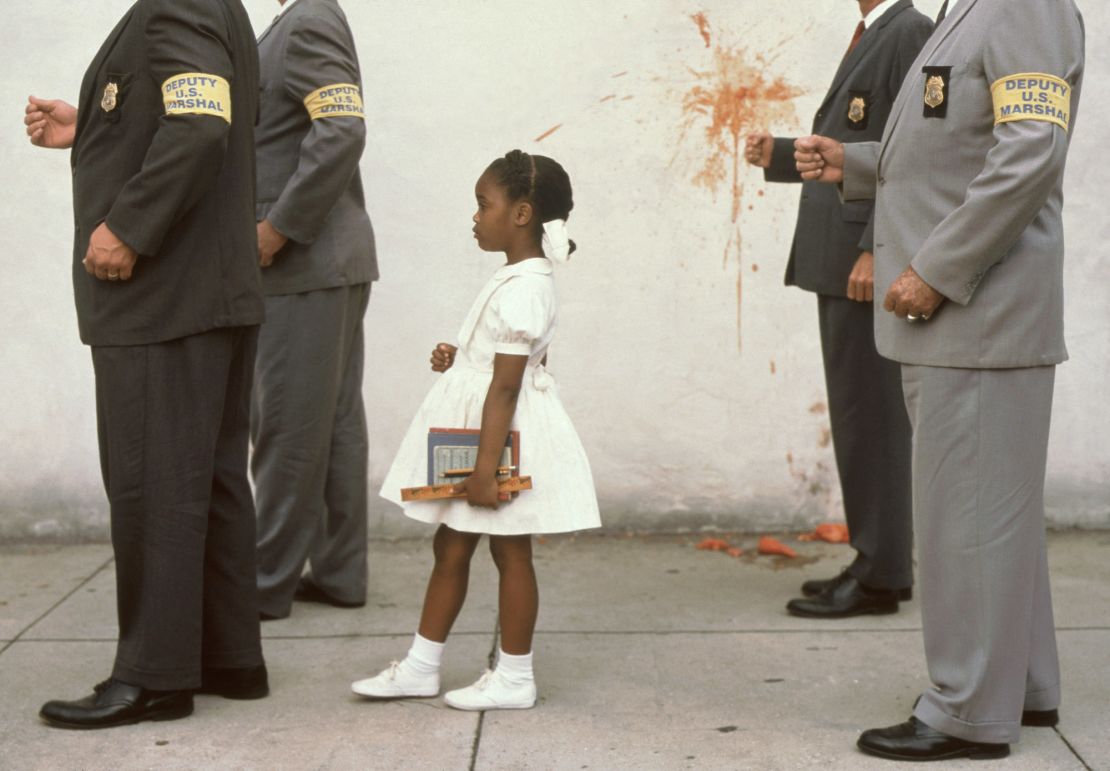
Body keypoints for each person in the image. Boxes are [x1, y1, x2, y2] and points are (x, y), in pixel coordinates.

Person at [794, 0, 1083, 760]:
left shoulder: (1026, 8)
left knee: (967, 524)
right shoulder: (974, 8)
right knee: (995, 523)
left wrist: (936, 269)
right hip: (967, 323)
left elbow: (1027, 155)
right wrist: (853, 162)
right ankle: (1021, 685)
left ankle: (965, 708)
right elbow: (950, 140)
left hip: (976, 314)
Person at [24, 0, 269, 729]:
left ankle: (154, 675)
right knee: (214, 480)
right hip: (208, 293)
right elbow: (191, 106)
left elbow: (199, 129)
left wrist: (129, 225)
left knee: (153, 484)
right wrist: (93, 124)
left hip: (164, 296)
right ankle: (228, 656)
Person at [350, 150, 601, 711]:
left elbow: (508, 386)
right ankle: (421, 666)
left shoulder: (526, 287)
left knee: (511, 553)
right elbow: (498, 364)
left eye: (483, 204)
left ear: (521, 213)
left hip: (501, 439)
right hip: (484, 427)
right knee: (451, 543)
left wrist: (486, 470)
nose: (475, 215)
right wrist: (460, 354)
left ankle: (514, 676)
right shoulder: (517, 276)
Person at [745, 0, 931, 619]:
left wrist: (877, 248)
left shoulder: (907, 32)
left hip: (862, 263)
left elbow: (916, 155)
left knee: (872, 421)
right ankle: (879, 562)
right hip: (841, 262)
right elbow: (856, 144)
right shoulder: (877, 32)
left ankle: (880, 575)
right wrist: (778, 152)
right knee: (860, 418)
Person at [252, 0, 378, 620]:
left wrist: (279, 226)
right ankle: (338, 572)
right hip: (327, 263)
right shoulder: (290, 23)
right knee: (330, 423)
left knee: (287, 424)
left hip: (304, 263)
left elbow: (343, 130)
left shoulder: (308, 20)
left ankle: (263, 585)